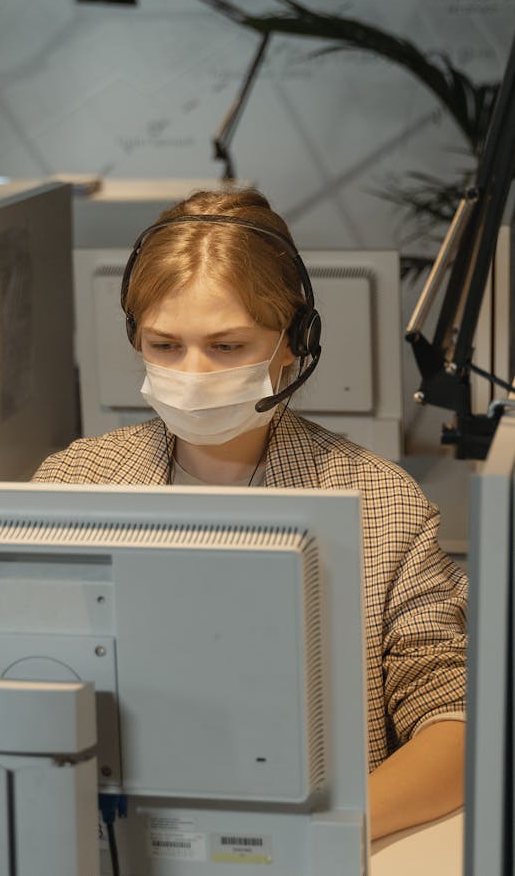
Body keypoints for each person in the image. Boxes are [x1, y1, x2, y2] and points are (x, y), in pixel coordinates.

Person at [33, 187, 467, 842]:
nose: (194, 373)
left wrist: (306, 833)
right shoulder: (71, 486)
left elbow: (456, 721)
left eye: (228, 347)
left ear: (293, 342)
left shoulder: (381, 503)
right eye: (166, 345)